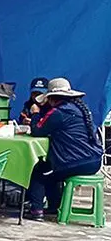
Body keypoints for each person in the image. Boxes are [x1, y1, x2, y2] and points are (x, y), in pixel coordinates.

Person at [26, 77, 103, 221]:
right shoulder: (80, 109)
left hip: (76, 162)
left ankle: (36, 211)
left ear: (52, 98)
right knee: (49, 170)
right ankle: (55, 207)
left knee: (40, 171)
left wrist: (35, 113)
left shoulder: (58, 112)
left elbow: (37, 130)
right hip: (94, 160)